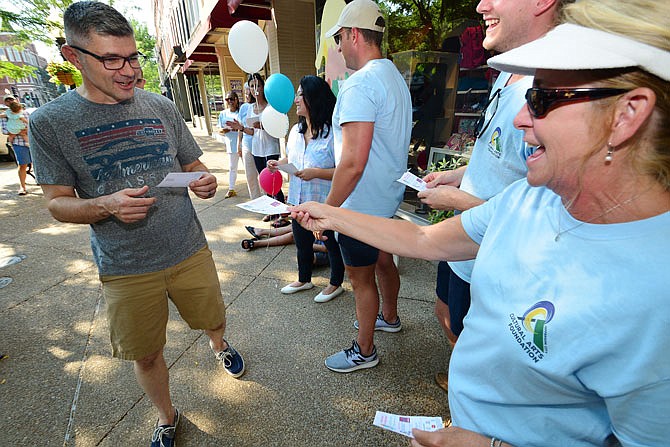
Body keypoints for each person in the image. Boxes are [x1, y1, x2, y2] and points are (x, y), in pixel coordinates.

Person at [291, 0, 670, 444]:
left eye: (544, 98)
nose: (520, 118)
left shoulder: (653, 294)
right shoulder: (530, 196)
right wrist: (330, 213)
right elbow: (423, 238)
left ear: (628, 114)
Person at [27, 3, 245, 447]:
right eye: (111, 59)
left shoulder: (161, 106)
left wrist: (204, 180)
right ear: (74, 57)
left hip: (188, 248)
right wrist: (105, 205)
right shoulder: (49, 123)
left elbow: (194, 163)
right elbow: (56, 204)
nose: (127, 70)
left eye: (132, 57)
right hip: (125, 266)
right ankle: (167, 417)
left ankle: (219, 345)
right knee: (146, 355)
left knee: (212, 318)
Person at [418, 0, 573, 391]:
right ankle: (461, 380)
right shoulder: (505, 74)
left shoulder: (553, 95)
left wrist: (456, 204)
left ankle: (468, 398)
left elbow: (538, 216)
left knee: (478, 343)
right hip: (462, 242)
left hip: (489, 254)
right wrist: (454, 176)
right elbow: (492, 157)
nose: (480, 5)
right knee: (445, 312)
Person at [320, 0, 412, 372]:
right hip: (387, 198)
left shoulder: (359, 84)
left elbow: (353, 162)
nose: (339, 48)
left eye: (340, 38)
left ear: (354, 34)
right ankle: (388, 317)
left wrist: (326, 211)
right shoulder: (394, 78)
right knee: (384, 260)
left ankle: (365, 349)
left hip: (360, 206)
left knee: (361, 280)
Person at [267, 75, 345, 303]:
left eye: (301, 94)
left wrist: (316, 173)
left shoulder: (333, 133)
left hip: (324, 200)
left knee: (330, 242)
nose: (296, 100)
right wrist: (278, 164)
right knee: (301, 241)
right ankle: (304, 279)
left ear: (313, 98)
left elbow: (344, 170)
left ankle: (335, 283)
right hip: (298, 198)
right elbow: (292, 158)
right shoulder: (295, 132)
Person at [239, 73, 285, 214]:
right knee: (264, 180)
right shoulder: (249, 108)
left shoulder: (271, 106)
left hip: (271, 147)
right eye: (252, 86)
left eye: (258, 85)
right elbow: (252, 131)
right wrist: (240, 128)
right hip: (256, 149)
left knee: (273, 179)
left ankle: (281, 210)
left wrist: (264, 126)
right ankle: (271, 211)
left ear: (263, 86)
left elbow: (279, 129)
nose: (255, 89)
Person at [240, 224, 330, 267]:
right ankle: (262, 231)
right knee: (296, 226)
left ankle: (257, 243)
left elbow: (326, 249)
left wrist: (302, 242)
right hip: (322, 239)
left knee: (294, 235)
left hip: (326, 250)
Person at [1, 95, 32, 195]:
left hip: (31, 142)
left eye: (11, 99)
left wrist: (24, 131)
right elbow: (5, 131)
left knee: (37, 162)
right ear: (5, 103)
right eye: (7, 100)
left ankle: (42, 182)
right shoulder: (5, 115)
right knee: (22, 164)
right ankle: (22, 187)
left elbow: (31, 126)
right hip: (18, 143)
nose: (9, 101)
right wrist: (21, 132)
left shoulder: (25, 113)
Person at [237, 82, 262, 200]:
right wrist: (239, 144)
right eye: (246, 91)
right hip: (247, 144)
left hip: (260, 144)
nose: (247, 93)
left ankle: (267, 199)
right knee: (250, 175)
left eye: (249, 90)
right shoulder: (243, 108)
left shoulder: (260, 106)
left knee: (262, 175)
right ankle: (255, 200)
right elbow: (240, 128)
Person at [214, 91, 242, 198]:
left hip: (243, 144)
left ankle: (257, 188)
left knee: (250, 168)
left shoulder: (240, 112)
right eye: (227, 99)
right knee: (232, 167)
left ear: (236, 100)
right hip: (231, 144)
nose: (229, 101)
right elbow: (219, 130)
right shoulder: (223, 114)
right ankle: (231, 189)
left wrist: (237, 128)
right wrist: (225, 130)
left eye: (231, 99)